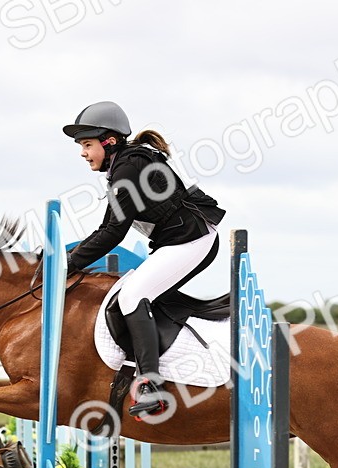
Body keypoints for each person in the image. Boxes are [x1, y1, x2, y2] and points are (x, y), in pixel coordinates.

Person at [63, 101, 225, 418]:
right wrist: (70, 258)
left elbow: (112, 232)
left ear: (109, 141)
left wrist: (68, 264)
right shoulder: (125, 165)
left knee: (133, 296)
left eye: (87, 144)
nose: (83, 153)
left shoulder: (128, 169)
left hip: (193, 240)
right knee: (132, 297)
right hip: (181, 240)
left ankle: (153, 385)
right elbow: (108, 228)